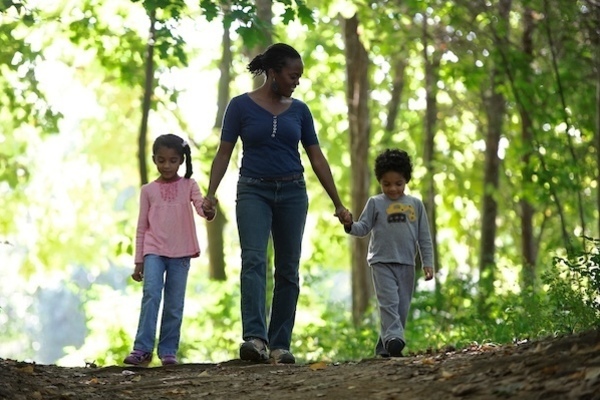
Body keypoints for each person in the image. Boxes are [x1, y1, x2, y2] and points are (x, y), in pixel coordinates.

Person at [202, 43, 351, 364]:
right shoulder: (239, 107)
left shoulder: (300, 111)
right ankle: (255, 339)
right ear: (272, 73)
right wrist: (211, 194)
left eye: (299, 76)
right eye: (292, 75)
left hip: (292, 193)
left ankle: (280, 344)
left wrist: (338, 203)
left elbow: (317, 158)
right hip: (253, 191)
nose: (297, 81)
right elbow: (224, 152)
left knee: (288, 269)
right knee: (254, 261)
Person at [124, 133, 216, 367]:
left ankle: (167, 350)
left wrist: (209, 209)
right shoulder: (148, 190)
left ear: (181, 161)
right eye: (161, 160)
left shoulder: (189, 185)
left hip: (181, 252)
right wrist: (138, 260)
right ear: (154, 159)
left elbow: (201, 210)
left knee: (174, 303)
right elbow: (141, 226)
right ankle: (142, 349)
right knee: (151, 295)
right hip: (153, 251)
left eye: (173, 160)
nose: (167, 165)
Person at [342, 149, 434, 357]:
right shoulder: (375, 203)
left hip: (407, 263)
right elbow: (362, 228)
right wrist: (349, 224)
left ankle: (385, 346)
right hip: (381, 261)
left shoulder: (416, 205)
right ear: (380, 181)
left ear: (406, 180)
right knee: (389, 303)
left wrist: (428, 262)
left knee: (401, 308)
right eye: (387, 184)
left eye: (398, 183)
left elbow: (424, 238)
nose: (392, 188)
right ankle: (394, 339)